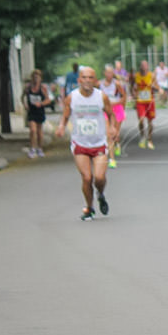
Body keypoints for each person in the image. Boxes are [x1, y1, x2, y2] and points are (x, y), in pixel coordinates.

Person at [55, 66, 116, 220]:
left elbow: (111, 114)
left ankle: (100, 194)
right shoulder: (72, 97)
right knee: (87, 178)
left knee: (99, 177)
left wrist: (113, 128)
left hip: (99, 143)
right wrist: (61, 126)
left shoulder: (101, 97)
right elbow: (65, 116)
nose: (87, 81)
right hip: (80, 144)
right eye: (84, 77)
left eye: (91, 78)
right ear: (79, 80)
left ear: (95, 81)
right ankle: (89, 208)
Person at [98, 64, 127, 168]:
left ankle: (117, 144)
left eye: (111, 72)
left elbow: (124, 97)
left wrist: (118, 103)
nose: (109, 74)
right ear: (104, 73)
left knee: (115, 133)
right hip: (105, 110)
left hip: (117, 109)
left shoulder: (117, 84)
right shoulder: (100, 84)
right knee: (109, 134)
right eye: (107, 72)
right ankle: (112, 159)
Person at [24, 69, 51, 157]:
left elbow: (48, 100)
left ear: (40, 78)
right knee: (32, 130)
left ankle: (40, 148)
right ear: (32, 78)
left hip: (39, 111)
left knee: (39, 131)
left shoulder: (43, 88)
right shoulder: (28, 88)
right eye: (34, 77)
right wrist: (25, 104)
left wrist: (41, 103)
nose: (36, 79)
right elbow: (22, 97)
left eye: (38, 77)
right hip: (31, 111)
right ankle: (32, 149)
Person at [132, 59, 159, 150]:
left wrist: (153, 86)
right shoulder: (136, 76)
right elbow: (133, 87)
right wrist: (134, 94)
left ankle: (150, 139)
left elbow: (157, 87)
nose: (144, 67)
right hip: (140, 101)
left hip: (150, 101)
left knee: (150, 122)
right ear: (140, 67)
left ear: (147, 66)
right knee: (141, 120)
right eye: (142, 65)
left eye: (145, 65)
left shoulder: (152, 75)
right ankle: (142, 137)